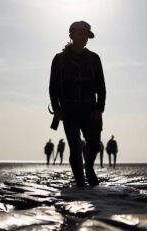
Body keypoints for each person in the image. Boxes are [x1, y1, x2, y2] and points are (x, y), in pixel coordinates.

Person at [49, 21, 106, 186]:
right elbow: (53, 87)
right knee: (75, 147)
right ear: (71, 35)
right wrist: (57, 108)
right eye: (81, 34)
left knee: (94, 145)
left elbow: (101, 86)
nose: (84, 38)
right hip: (69, 110)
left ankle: (89, 168)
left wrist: (99, 108)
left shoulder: (94, 59)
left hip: (90, 109)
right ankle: (80, 182)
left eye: (86, 35)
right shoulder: (59, 60)